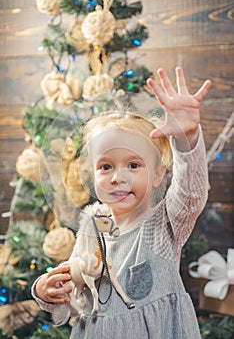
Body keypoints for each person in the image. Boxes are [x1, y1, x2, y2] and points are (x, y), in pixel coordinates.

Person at [32, 67, 212, 338]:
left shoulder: (164, 224)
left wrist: (187, 140)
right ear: (92, 176)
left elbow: (191, 194)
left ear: (158, 174)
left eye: (133, 164)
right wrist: (46, 290)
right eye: (105, 167)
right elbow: (71, 298)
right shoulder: (91, 229)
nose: (118, 178)